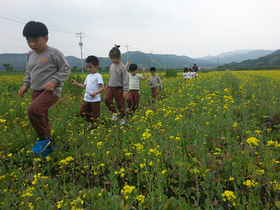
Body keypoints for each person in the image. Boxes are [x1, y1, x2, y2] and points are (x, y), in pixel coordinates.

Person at [18, 21, 71, 157]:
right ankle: (48, 149)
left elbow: (66, 69)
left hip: (50, 92)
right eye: (28, 41)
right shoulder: (30, 54)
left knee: (33, 110)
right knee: (42, 118)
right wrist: (25, 85)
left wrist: (54, 81)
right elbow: (29, 72)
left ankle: (43, 139)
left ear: (46, 38)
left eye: (36, 40)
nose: (32, 44)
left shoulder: (54, 53)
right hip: (36, 91)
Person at [71, 56, 104, 134]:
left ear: (96, 67)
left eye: (90, 67)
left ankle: (94, 128)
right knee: (82, 112)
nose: (88, 69)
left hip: (95, 99)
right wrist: (76, 83)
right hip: (87, 98)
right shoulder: (88, 76)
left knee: (96, 114)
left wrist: (95, 93)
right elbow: (85, 86)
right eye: (87, 67)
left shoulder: (98, 76)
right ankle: (91, 122)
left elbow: (102, 87)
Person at [104, 45, 129, 125]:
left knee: (121, 105)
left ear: (119, 57)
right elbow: (111, 77)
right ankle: (115, 113)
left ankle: (123, 118)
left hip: (119, 89)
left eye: (114, 58)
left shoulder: (122, 67)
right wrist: (107, 85)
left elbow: (125, 79)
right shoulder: (111, 66)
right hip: (110, 87)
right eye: (111, 58)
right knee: (107, 100)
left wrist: (125, 91)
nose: (113, 60)